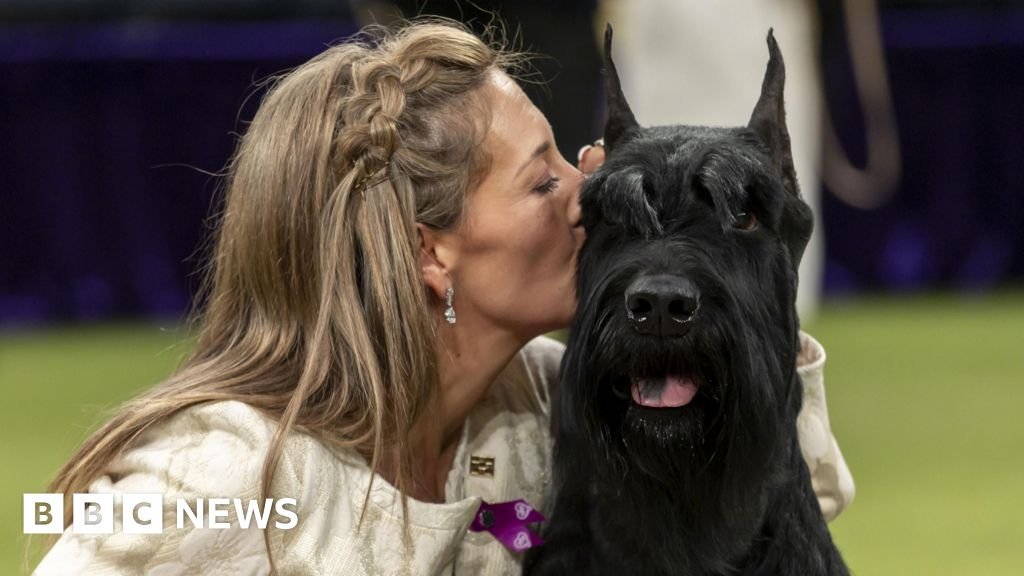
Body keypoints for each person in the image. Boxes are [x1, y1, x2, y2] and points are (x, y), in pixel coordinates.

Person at [33, 19, 853, 576]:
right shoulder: (216, 482)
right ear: (432, 251)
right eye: (545, 178)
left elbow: (785, 498)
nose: (587, 189)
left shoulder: (540, 403)